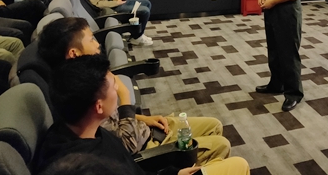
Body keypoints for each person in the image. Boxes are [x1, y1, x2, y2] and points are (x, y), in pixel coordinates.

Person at [38, 17, 232, 166]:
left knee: (214, 125)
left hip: (144, 130)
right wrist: (125, 97)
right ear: (74, 53)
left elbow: (112, 120)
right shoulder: (79, 93)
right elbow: (125, 146)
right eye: (91, 40)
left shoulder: (84, 79)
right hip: (145, 146)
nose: (97, 44)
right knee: (221, 146)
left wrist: (143, 118)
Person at [35, 55, 249, 175]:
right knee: (240, 165)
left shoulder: (80, 128)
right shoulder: (85, 166)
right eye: (113, 87)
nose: (118, 89)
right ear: (98, 107)